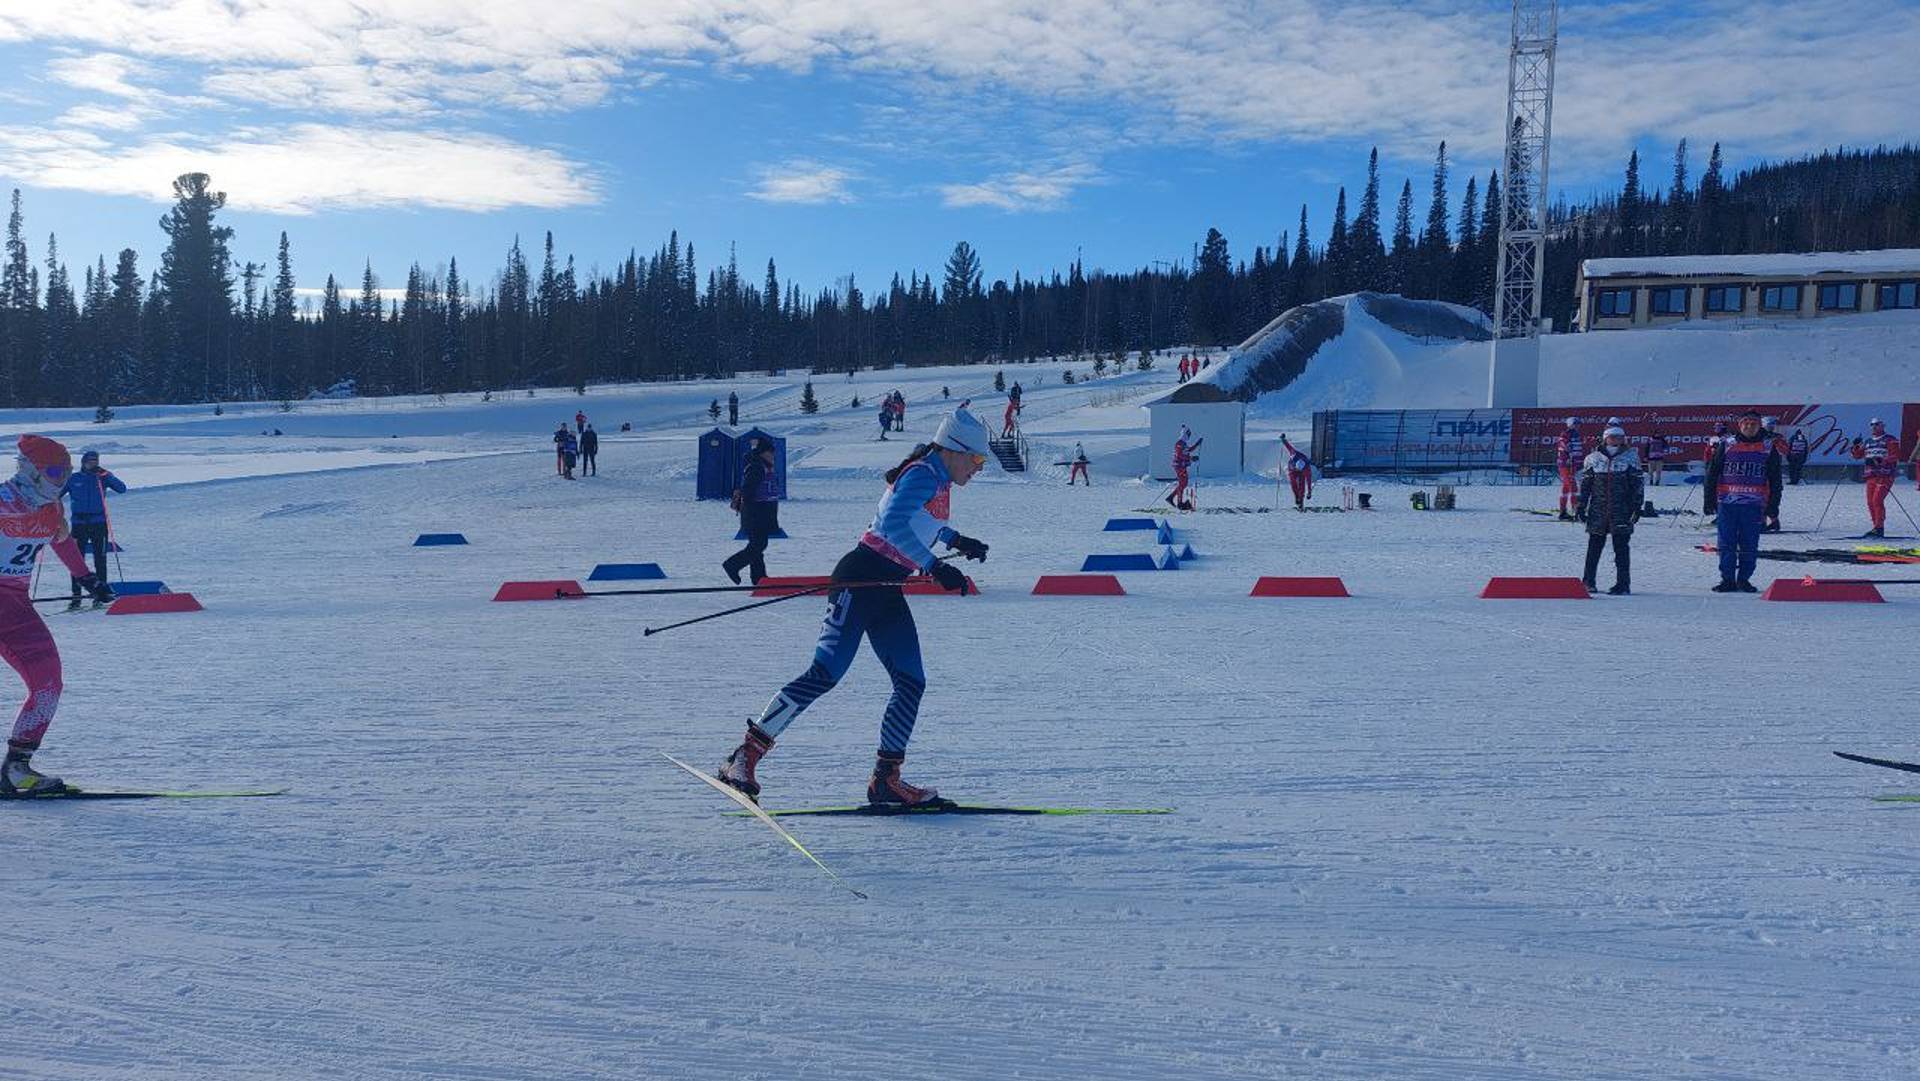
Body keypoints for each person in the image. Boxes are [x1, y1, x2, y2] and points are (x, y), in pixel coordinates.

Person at [716, 408, 993, 808]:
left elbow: (918, 521)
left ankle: (886, 780)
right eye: (978, 459)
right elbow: (896, 525)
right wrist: (934, 565)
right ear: (955, 449)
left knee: (911, 681)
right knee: (824, 674)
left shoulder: (937, 475)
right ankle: (744, 757)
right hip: (859, 578)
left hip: (886, 587)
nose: (979, 469)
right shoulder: (922, 474)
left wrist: (956, 540)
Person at [2, 436, 97, 796]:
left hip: (15, 604)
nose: (63, 480)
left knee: (48, 683)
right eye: (56, 471)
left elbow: (61, 542)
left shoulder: (53, 509)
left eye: (67, 472)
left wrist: (87, 578)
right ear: (30, 471)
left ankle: (17, 768)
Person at [1704, 411, 1781, 592]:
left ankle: (1744, 579)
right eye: (1745, 423)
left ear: (1759, 426)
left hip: (1754, 505)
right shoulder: (1727, 444)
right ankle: (1728, 579)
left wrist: (1773, 506)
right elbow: (1712, 473)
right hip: (1727, 503)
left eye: (1753, 424)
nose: (1749, 426)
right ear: (1740, 425)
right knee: (1726, 542)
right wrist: (1708, 500)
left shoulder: (1768, 447)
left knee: (1749, 543)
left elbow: (1776, 480)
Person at [1577, 426, 1644, 595]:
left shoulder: (1631, 457)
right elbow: (1585, 486)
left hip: (1622, 509)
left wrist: (1637, 506)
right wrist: (1581, 506)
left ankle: (1623, 584)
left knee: (1621, 547)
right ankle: (1588, 581)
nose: (1615, 440)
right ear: (1605, 438)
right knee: (1594, 547)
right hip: (1598, 510)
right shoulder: (1592, 458)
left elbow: (1637, 484)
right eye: (1612, 437)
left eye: (1619, 437)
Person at [61, 450, 125, 608]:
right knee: (76, 561)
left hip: (98, 524)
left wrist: (106, 475)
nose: (93, 463)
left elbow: (122, 488)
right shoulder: (73, 479)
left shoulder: (102, 478)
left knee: (100, 560)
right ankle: (76, 597)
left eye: (95, 461)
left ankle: (100, 596)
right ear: (83, 462)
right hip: (79, 524)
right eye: (90, 461)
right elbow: (56, 495)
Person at [722, 439, 780, 585]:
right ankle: (732, 565)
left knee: (757, 545)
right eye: (770, 452)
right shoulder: (757, 467)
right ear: (762, 453)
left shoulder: (763, 466)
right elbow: (748, 490)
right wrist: (751, 509)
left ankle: (759, 578)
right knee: (758, 545)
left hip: (761, 513)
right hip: (756, 513)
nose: (773, 455)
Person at [1851, 417, 1900, 538]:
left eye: (1877, 424)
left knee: (1877, 500)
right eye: (1872, 424)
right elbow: (1857, 456)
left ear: (1882, 426)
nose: (1874, 427)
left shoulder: (1890, 439)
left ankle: (1879, 527)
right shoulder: (1868, 442)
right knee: (1870, 502)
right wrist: (1856, 446)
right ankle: (1875, 527)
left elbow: (1896, 455)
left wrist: (1882, 460)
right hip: (1870, 475)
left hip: (1885, 474)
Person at [1554, 417, 1583, 520]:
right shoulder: (1566, 434)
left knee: (1566, 488)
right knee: (1573, 487)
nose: (1578, 426)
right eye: (1575, 424)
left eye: (1578, 424)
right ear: (1570, 425)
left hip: (1573, 465)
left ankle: (1563, 512)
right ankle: (1576, 512)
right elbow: (1563, 443)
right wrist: (1568, 451)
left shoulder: (1576, 435)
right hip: (1566, 465)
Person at [1169, 426, 1203, 510]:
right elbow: (1180, 455)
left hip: (1183, 466)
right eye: (1188, 434)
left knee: (1184, 483)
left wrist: (1197, 444)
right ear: (1185, 434)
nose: (1189, 436)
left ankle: (1171, 498)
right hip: (1179, 466)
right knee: (1182, 483)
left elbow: (1188, 450)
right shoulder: (1179, 444)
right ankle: (1179, 502)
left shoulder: (1184, 444)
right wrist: (1191, 458)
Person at [1281, 433, 1312, 510]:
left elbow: (1309, 481)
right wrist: (1283, 439)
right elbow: (1288, 446)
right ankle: (1296, 497)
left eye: (1299, 469)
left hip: (1301, 472)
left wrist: (1309, 492)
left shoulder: (1306, 468)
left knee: (1301, 485)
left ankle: (1301, 502)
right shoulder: (1294, 453)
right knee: (1293, 483)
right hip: (1291, 470)